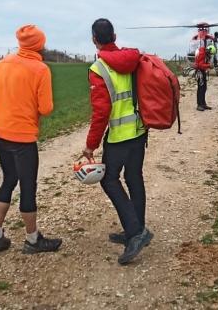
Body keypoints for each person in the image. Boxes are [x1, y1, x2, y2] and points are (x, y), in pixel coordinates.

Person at [0, 24, 62, 254]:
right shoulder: (40, 69)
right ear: (39, 45)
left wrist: (9, 96)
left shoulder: (4, 62)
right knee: (28, 186)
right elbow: (45, 108)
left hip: (0, 131)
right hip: (23, 136)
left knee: (9, 179)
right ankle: (33, 240)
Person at [82, 18, 153, 265]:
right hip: (139, 130)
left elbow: (101, 113)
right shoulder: (133, 60)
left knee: (109, 179)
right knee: (134, 177)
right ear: (114, 35)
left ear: (95, 39)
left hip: (119, 137)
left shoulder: (98, 68)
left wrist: (90, 145)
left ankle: (135, 232)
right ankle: (136, 228)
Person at [195, 44, 212, 111]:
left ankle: (203, 104)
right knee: (201, 89)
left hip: (203, 72)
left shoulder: (204, 53)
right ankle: (199, 105)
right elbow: (200, 65)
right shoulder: (202, 54)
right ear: (208, 50)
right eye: (210, 53)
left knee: (204, 88)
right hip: (200, 73)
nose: (210, 55)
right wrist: (208, 65)